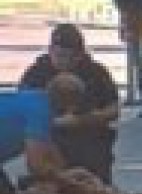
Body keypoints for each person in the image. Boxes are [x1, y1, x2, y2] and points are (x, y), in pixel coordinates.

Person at [19, 24, 122, 183]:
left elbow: (114, 109)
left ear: (80, 55)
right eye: (58, 55)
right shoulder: (36, 73)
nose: (62, 61)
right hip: (49, 138)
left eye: (69, 56)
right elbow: (23, 110)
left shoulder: (95, 71)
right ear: (50, 50)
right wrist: (54, 123)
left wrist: (86, 119)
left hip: (90, 140)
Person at [0, 89, 65, 194]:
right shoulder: (41, 111)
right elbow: (35, 165)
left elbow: (53, 154)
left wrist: (62, 175)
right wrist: (65, 180)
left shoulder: (33, 99)